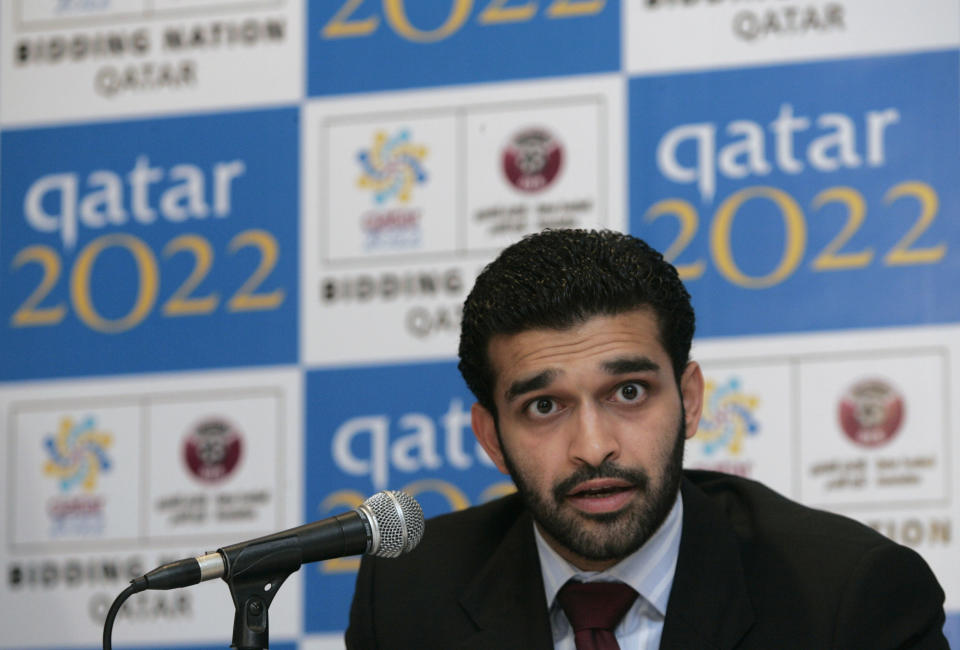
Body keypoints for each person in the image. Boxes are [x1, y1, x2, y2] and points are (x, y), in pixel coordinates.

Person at [346, 229, 947, 649]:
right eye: (545, 405)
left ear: (688, 399)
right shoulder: (409, 595)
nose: (593, 445)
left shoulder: (846, 595)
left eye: (628, 392)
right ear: (492, 438)